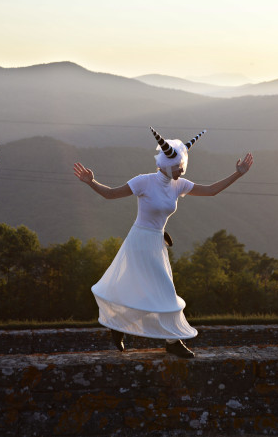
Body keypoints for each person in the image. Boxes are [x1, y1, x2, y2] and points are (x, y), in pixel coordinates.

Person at [73, 127, 253, 358]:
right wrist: (91, 182)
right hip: (139, 241)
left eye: (182, 166)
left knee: (150, 291)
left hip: (157, 242)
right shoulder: (143, 182)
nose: (180, 169)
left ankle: (118, 324)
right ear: (165, 164)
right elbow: (110, 194)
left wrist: (238, 173)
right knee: (164, 290)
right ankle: (171, 341)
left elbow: (211, 191)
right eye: (177, 166)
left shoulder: (178, 185)